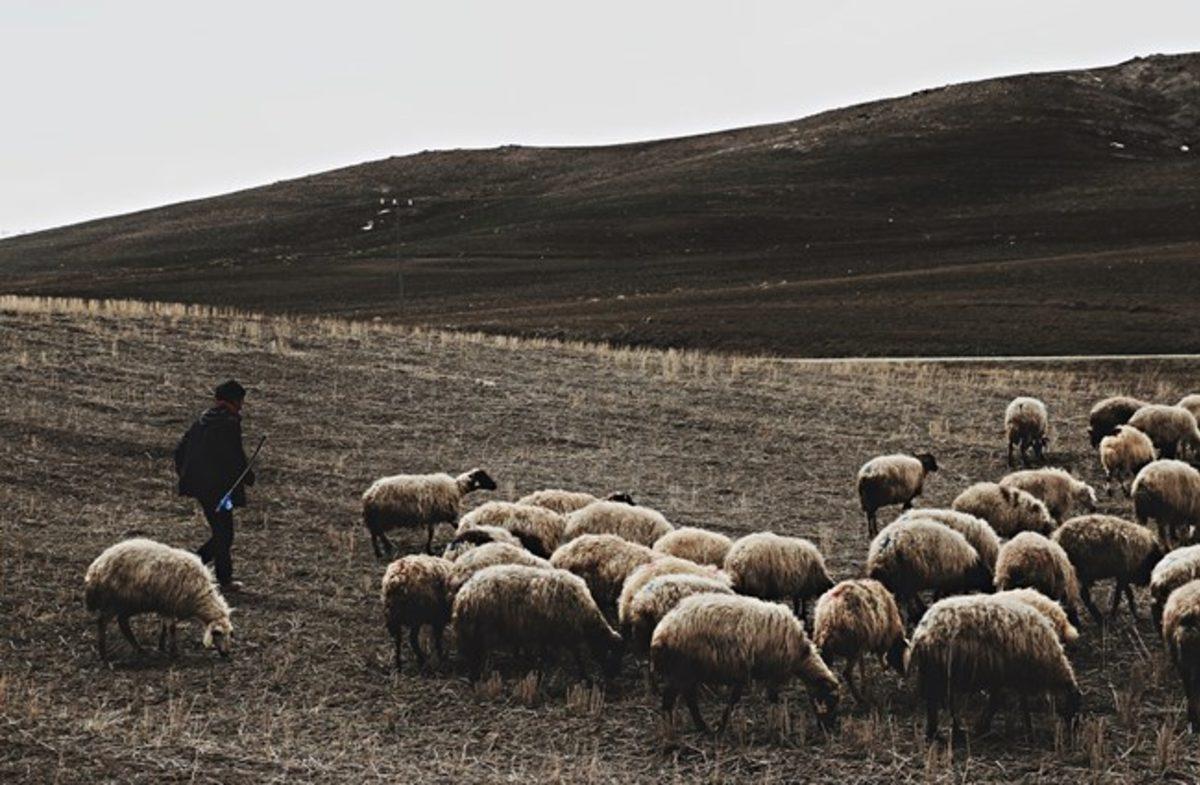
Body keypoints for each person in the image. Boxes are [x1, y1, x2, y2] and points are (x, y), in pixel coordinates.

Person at [174, 379, 255, 591]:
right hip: (220, 490)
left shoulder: (202, 420)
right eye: (240, 401)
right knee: (224, 534)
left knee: (222, 532)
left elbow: (180, 450)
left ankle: (219, 577)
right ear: (235, 400)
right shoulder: (228, 422)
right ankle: (189, 570)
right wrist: (247, 476)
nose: (241, 405)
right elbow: (233, 456)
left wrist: (186, 475)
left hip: (201, 486)